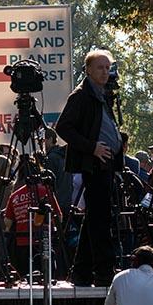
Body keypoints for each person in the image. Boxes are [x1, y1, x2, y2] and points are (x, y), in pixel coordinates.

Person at [55, 49, 122, 286]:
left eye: (107, 67)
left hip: (106, 165)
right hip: (93, 165)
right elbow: (63, 128)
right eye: (100, 67)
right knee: (100, 219)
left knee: (95, 217)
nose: (105, 72)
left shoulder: (101, 95)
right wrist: (92, 147)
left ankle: (81, 272)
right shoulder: (82, 96)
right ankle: (104, 271)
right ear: (88, 70)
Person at [2, 164, 63, 278]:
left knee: (25, 280)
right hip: (43, 241)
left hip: (22, 243)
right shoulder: (45, 191)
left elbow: (7, 222)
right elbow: (58, 217)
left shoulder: (15, 195)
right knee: (46, 277)